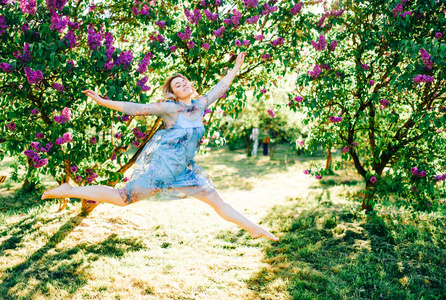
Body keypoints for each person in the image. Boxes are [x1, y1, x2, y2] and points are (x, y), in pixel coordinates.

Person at [41, 52, 279, 241]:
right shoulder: (170, 108)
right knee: (121, 198)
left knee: (218, 202)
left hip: (185, 171)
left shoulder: (200, 105)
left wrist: (236, 68)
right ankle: (67, 191)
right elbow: (135, 107)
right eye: (177, 84)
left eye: (184, 81)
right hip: (162, 170)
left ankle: (254, 229)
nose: (183, 84)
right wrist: (103, 102)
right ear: (172, 93)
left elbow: (220, 87)